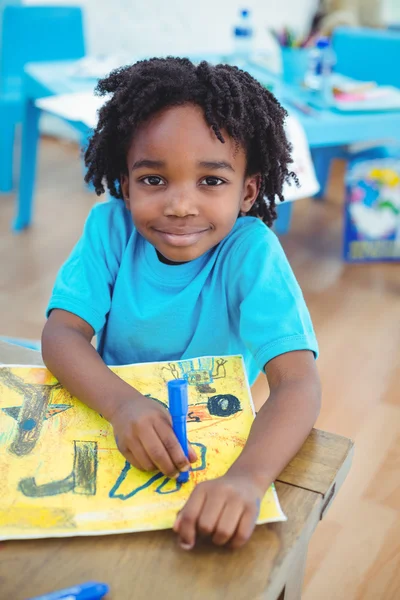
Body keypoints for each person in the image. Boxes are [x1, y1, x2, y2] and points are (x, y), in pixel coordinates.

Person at [42, 57, 321, 551]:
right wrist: (122, 404)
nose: (180, 205)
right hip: (111, 417)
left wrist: (248, 480)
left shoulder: (251, 255)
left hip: (213, 444)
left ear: (248, 191)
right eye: (153, 180)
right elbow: (62, 333)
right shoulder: (109, 230)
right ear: (125, 184)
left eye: (211, 181)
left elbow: (298, 382)